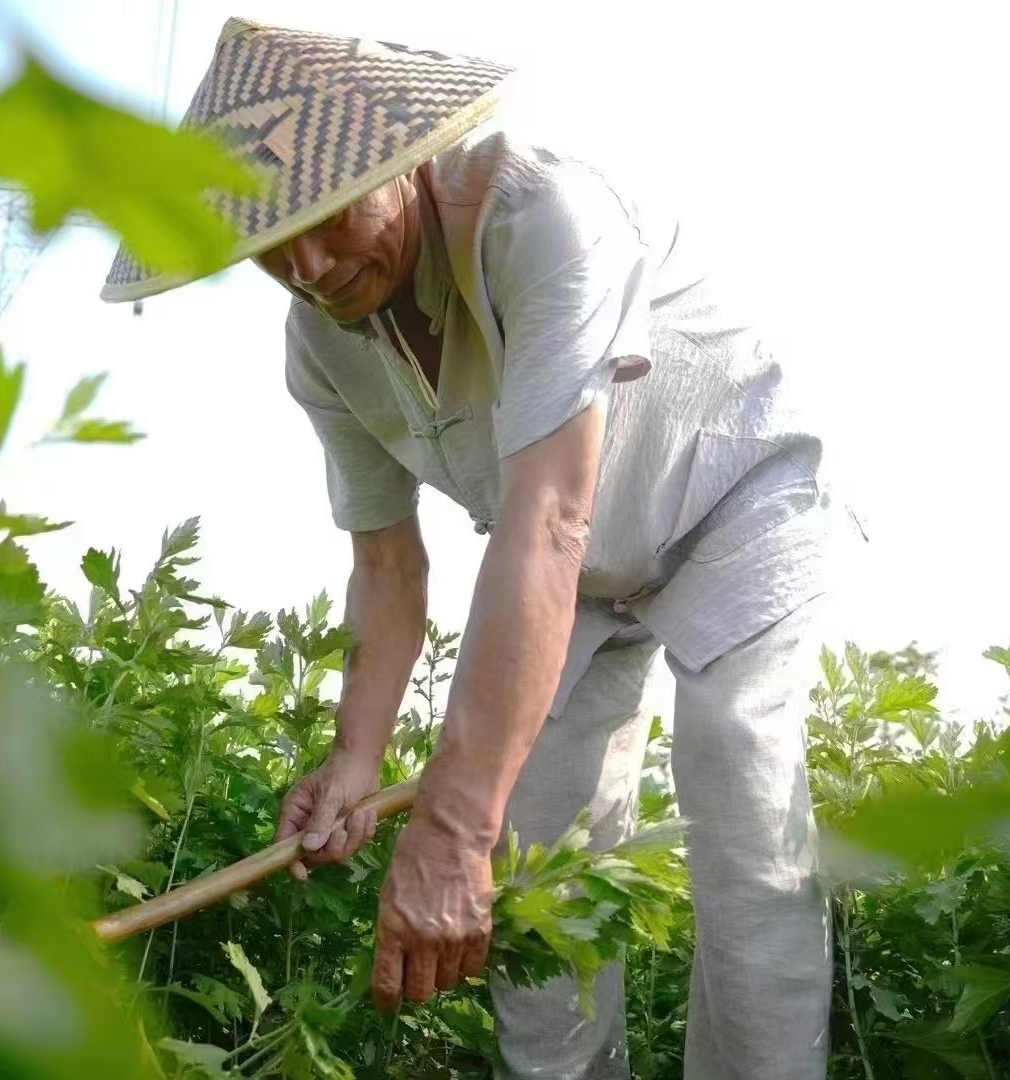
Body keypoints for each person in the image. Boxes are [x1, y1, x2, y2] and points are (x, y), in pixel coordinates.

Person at [100, 17, 856, 1080]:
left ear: (400, 164)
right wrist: (356, 759)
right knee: (533, 850)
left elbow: (548, 516)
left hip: (730, 497)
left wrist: (448, 825)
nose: (309, 267)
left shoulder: (543, 218)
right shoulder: (320, 347)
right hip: (573, 572)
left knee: (735, 778)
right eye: (271, 242)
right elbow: (385, 565)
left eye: (329, 218)